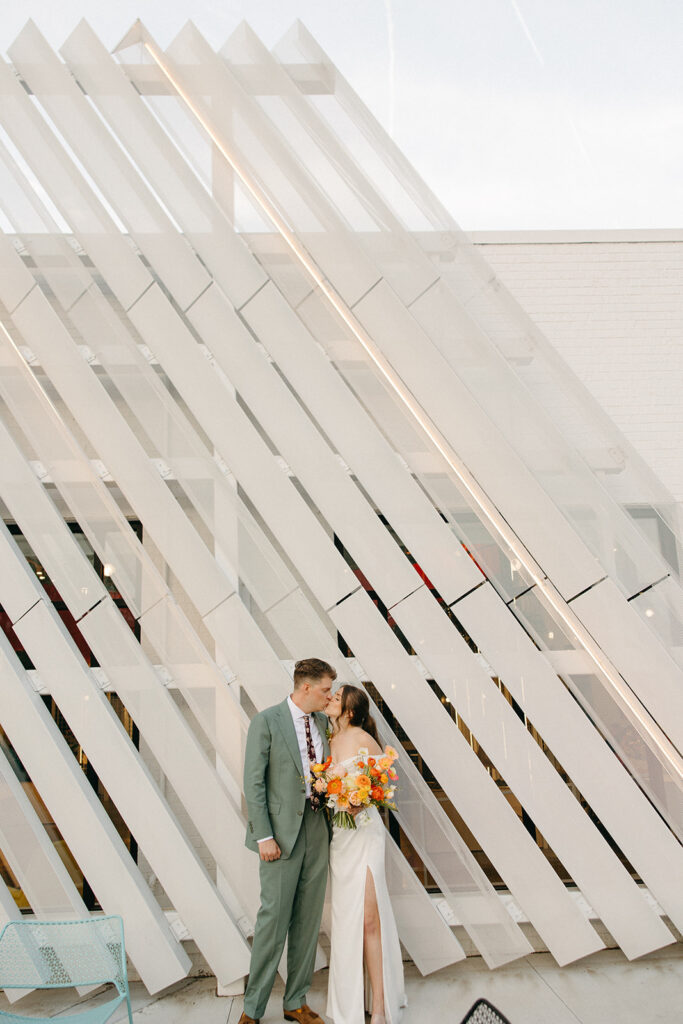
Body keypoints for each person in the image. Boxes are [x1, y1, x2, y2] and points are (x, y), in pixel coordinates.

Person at [239, 658, 336, 1024]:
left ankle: (295, 1001)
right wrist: (264, 835)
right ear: (305, 687)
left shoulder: (325, 722)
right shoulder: (266, 721)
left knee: (308, 922)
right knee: (272, 923)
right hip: (278, 837)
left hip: (317, 829)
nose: (329, 697)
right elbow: (254, 783)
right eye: (325, 690)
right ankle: (252, 1009)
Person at [325, 685, 406, 1024]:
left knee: (370, 919)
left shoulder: (363, 738)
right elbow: (327, 787)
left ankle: (380, 1008)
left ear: (350, 710)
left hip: (367, 834)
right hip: (342, 838)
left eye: (337, 695)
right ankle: (348, 1004)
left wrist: (363, 800)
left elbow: (384, 781)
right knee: (347, 922)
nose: (330, 697)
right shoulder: (329, 742)